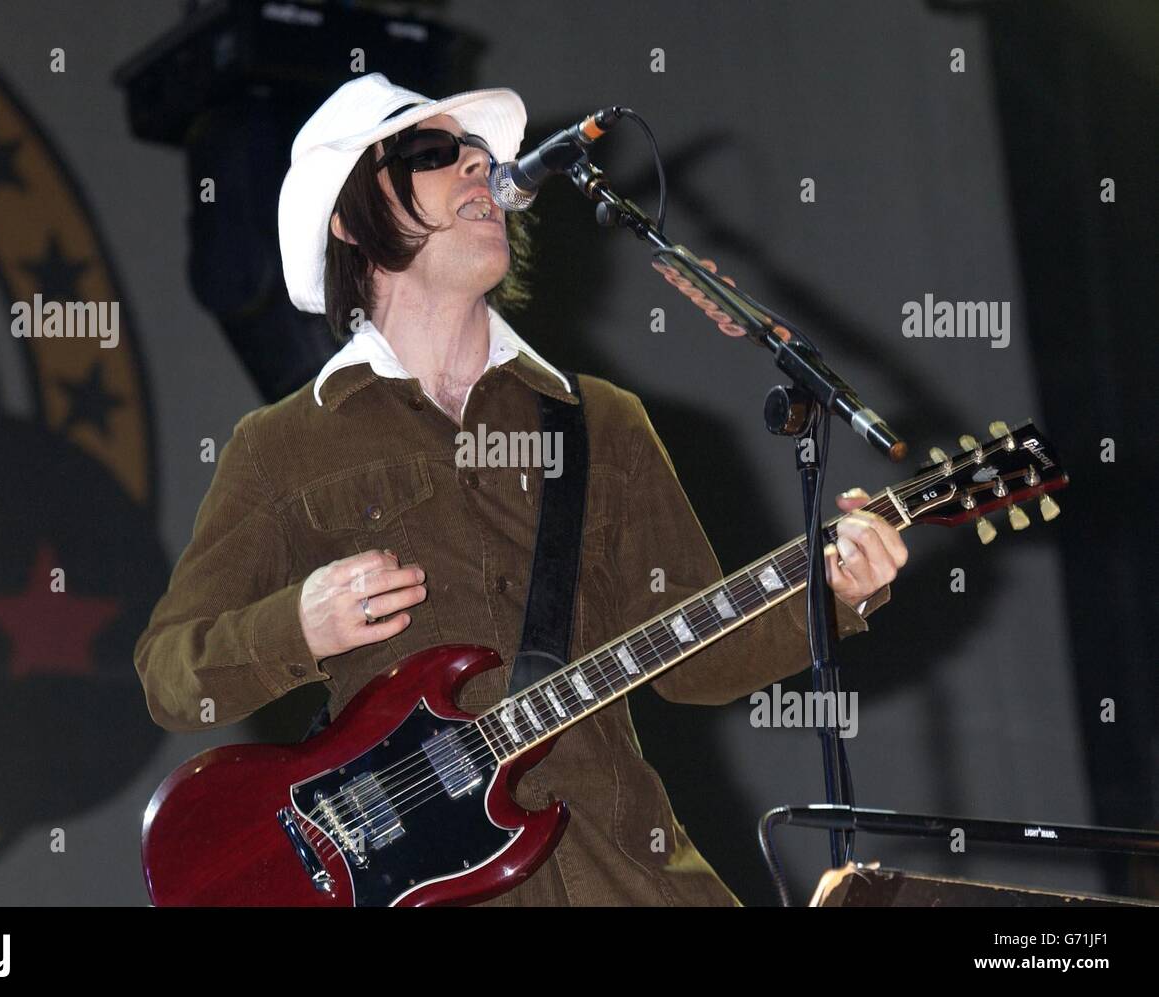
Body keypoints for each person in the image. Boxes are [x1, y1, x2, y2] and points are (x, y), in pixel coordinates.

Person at [133, 73, 908, 906]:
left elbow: (696, 654)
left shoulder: (600, 420)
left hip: (627, 874)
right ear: (351, 217)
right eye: (436, 153)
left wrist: (827, 595)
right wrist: (301, 622)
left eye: (484, 154)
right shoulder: (281, 445)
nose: (480, 169)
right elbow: (172, 675)